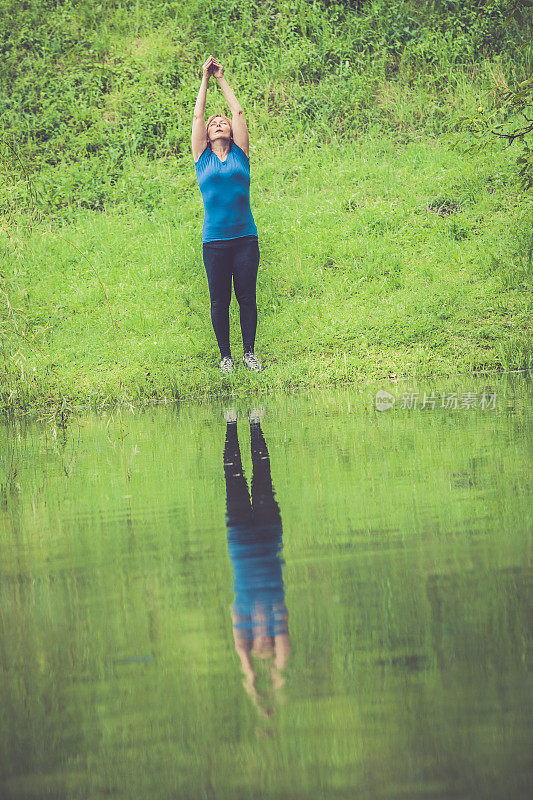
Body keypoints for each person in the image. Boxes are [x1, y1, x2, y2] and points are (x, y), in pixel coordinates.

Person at [192, 55, 262, 375]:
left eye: (222, 123)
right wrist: (204, 80)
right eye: (213, 123)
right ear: (207, 134)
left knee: (246, 296)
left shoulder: (240, 154)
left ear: (231, 132)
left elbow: (237, 111)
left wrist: (221, 78)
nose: (218, 122)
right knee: (219, 301)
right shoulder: (202, 158)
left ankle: (249, 353)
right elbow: (197, 116)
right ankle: (226, 358)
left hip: (245, 238)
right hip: (215, 242)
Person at [223, 408, 290, 717]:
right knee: (262, 476)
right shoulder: (278, 618)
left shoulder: (244, 623)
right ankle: (254, 423)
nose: (264, 640)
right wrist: (275, 687)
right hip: (267, 534)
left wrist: (253, 684)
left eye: (259, 644)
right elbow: (283, 654)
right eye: (269, 643)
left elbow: (242, 656)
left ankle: (233, 423)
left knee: (233, 477)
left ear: (253, 641)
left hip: (240, 540)